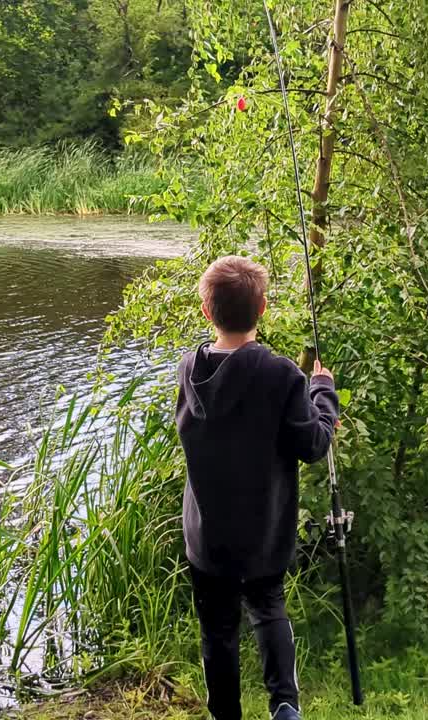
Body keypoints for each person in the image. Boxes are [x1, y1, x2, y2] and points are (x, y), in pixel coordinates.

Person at [175, 255, 340, 720]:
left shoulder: (189, 370)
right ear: (263, 307)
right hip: (264, 533)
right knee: (268, 608)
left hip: (206, 537)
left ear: (207, 312)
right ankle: (284, 706)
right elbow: (313, 444)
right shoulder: (281, 374)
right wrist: (322, 390)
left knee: (217, 632)